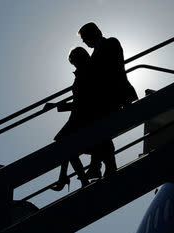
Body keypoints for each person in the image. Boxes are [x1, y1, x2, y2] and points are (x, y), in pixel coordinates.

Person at [78, 22, 138, 180]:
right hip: (107, 98)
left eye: (85, 38)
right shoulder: (97, 52)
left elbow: (113, 70)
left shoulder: (110, 43)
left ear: (94, 33)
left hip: (116, 95)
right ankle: (99, 166)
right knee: (100, 130)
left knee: (99, 128)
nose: (84, 42)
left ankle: (99, 166)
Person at [46, 47, 93, 191]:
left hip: (83, 118)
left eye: (74, 61)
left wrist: (57, 105)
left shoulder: (87, 73)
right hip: (79, 117)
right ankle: (66, 178)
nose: (73, 64)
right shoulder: (83, 73)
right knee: (65, 146)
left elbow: (84, 102)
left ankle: (66, 178)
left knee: (65, 146)